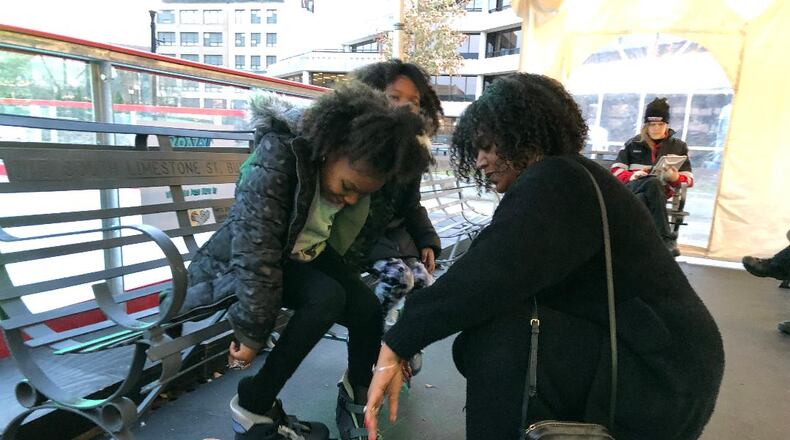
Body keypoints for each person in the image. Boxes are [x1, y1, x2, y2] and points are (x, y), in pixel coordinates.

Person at [364, 74, 725, 440]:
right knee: (488, 336)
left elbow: (488, 274)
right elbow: (492, 259)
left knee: (499, 337)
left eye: (487, 146)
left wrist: (397, 343)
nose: (480, 161)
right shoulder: (572, 176)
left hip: (657, 374)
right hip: (657, 356)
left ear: (520, 135)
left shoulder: (558, 180)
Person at [173, 82, 433, 440]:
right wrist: (253, 332)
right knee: (326, 297)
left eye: (361, 193)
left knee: (365, 307)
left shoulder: (354, 170)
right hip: (248, 261)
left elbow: (366, 231)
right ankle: (254, 404)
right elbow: (255, 247)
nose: (351, 199)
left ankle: (358, 395)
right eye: (347, 187)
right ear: (330, 149)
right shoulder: (280, 153)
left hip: (301, 254)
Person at [349, 59, 443, 315]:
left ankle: (403, 346)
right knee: (399, 277)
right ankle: (374, 334)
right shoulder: (356, 145)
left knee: (424, 282)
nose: (404, 106)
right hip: (357, 236)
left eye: (413, 101)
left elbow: (411, 203)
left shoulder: (412, 151)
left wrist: (427, 240)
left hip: (392, 237)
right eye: (394, 97)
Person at [610, 97, 694, 257]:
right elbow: (615, 171)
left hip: (655, 194)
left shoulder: (679, 147)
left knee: (645, 195)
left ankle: (637, 249)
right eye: (652, 124)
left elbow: (688, 180)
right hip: (632, 188)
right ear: (646, 125)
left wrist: (674, 177)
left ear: (667, 124)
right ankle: (666, 240)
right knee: (652, 183)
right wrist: (633, 175)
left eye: (660, 124)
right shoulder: (632, 144)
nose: (656, 128)